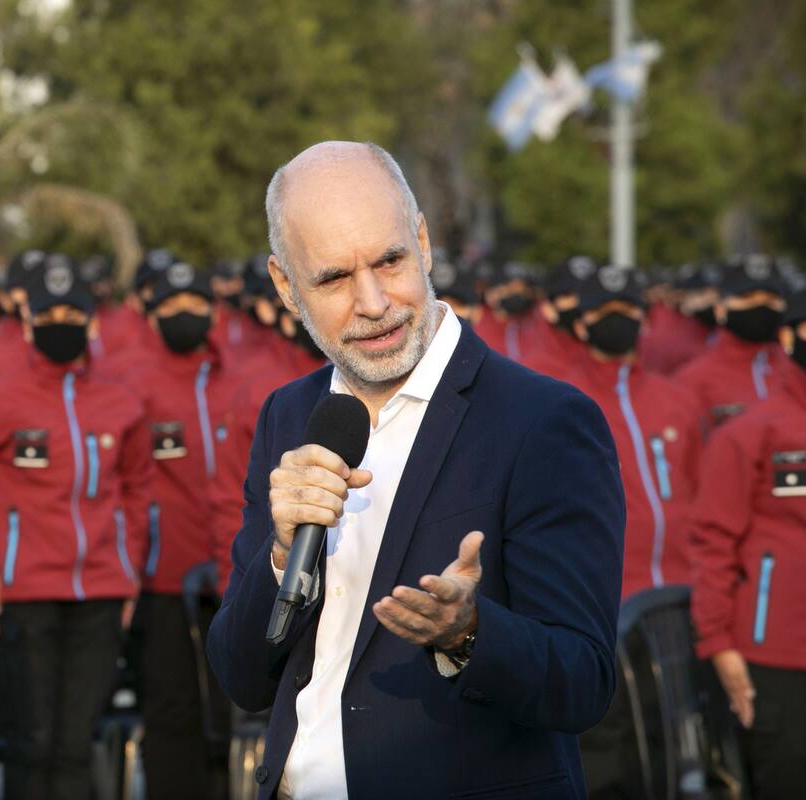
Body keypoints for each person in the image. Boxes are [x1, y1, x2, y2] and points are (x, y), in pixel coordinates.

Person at [206, 141, 625, 799]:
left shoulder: (544, 421)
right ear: (285, 284)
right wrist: (282, 559)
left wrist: (469, 634)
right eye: (335, 278)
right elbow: (241, 676)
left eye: (390, 260)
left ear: (423, 243)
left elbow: (583, 682)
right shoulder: (288, 417)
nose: (373, 301)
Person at [0, 256, 151, 800]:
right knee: (31, 743)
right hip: (24, 592)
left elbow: (134, 492)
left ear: (92, 322)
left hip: (99, 595)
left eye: (71, 311)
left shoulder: (119, 402)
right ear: (27, 319)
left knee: (77, 743)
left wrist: (127, 573)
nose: (60, 321)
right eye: (47, 311)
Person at [567, 266, 706, 799]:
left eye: (626, 311)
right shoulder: (564, 402)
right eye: (603, 313)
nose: (616, 322)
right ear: (581, 324)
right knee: (614, 753)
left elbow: (698, 492)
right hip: (605, 606)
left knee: (682, 744)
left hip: (680, 602)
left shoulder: (679, 400)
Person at [125, 261, 244, 799]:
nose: (183, 317)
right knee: (172, 710)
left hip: (235, 574)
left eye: (194, 305)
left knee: (228, 711)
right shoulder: (134, 386)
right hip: (164, 580)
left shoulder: (239, 384)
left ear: (214, 312)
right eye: (170, 308)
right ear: (151, 318)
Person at [689, 289, 806, 798]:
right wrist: (719, 644)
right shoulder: (751, 432)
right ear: (789, 337)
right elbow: (713, 542)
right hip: (775, 657)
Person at [674, 255, 791, 427]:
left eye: (771, 300)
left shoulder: (797, 371)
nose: (760, 306)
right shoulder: (691, 381)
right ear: (720, 309)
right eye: (747, 298)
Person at [522, 255, 594, 382]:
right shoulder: (533, 371)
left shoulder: (623, 363)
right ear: (548, 307)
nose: (580, 302)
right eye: (569, 295)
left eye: (589, 294)